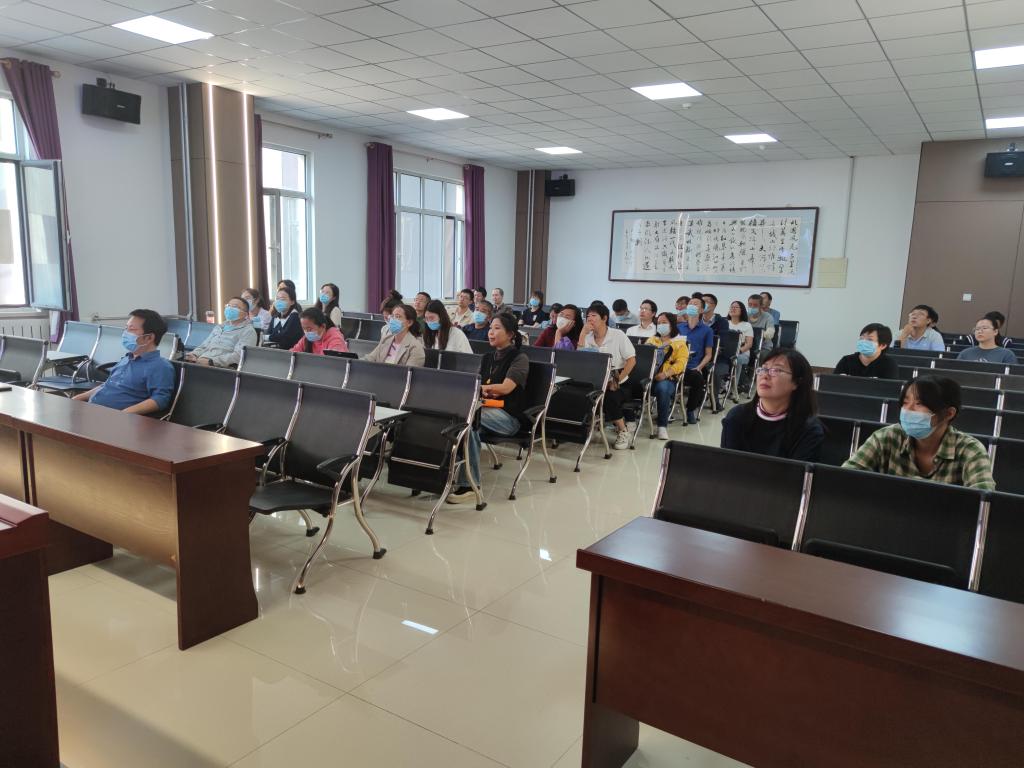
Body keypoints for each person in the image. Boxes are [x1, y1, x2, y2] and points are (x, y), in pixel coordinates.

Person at [844, 375, 994, 489]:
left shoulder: (970, 450)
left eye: (919, 403)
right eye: (905, 402)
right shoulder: (887, 437)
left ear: (949, 413)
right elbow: (844, 478)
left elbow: (982, 501)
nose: (908, 410)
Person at [448, 313, 530, 502]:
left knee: (468, 421)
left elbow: (506, 388)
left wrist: (483, 389)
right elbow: (478, 384)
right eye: (490, 328)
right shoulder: (487, 358)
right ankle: (468, 484)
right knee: (468, 429)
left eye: (497, 328)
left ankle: (469, 485)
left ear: (510, 334)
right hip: (484, 412)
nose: (491, 332)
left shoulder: (519, 358)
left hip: (508, 417)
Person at [721, 348, 824, 461]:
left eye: (776, 370)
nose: (765, 375)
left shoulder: (808, 429)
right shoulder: (737, 417)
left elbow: (797, 472)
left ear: (796, 382)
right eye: (763, 369)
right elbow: (725, 466)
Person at [72, 309, 175, 415]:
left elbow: (160, 400)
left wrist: (124, 414)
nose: (126, 333)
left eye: (131, 329)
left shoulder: (160, 366)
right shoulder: (126, 359)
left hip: (116, 419)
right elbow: (107, 385)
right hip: (94, 411)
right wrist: (78, 398)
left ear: (149, 337)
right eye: (126, 328)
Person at [578, 303, 636, 450]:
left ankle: (623, 430)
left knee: (609, 396)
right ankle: (581, 428)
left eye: (594, 315)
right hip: (594, 378)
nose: (589, 318)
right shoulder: (588, 336)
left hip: (618, 379)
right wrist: (582, 334)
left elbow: (631, 360)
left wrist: (618, 380)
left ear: (604, 318)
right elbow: (579, 358)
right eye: (588, 315)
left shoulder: (618, 335)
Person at [646, 311, 689, 440]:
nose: (661, 325)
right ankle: (630, 421)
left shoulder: (680, 343)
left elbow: (681, 364)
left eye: (664, 322)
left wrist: (665, 374)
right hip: (648, 377)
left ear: (672, 325)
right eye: (658, 323)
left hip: (667, 378)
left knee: (663, 389)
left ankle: (662, 426)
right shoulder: (652, 340)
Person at [185, 296, 257, 367]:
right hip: (201, 362)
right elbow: (204, 346)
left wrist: (212, 362)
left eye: (234, 307)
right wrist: (194, 354)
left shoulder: (248, 331)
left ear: (245, 314)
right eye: (228, 306)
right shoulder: (219, 327)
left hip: (221, 367)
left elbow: (239, 356)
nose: (230, 308)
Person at [676, 296, 714, 425]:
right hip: (677, 365)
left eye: (696, 304)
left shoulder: (707, 330)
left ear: (702, 310)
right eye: (690, 303)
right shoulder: (679, 327)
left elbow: (708, 354)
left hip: (692, 366)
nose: (692, 305)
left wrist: (699, 367)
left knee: (698, 379)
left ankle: (690, 410)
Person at [833, 323, 899, 378]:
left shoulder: (889, 364)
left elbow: (890, 388)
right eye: (861, 338)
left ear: (883, 345)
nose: (864, 342)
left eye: (870, 339)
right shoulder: (846, 361)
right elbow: (833, 384)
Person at [717, 301, 754, 393]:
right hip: (725, 351)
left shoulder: (747, 325)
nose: (733, 309)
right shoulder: (725, 323)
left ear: (742, 310)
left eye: (736, 307)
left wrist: (738, 352)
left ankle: (733, 388)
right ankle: (719, 385)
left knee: (736, 360)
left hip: (741, 352)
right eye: (731, 307)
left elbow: (749, 344)